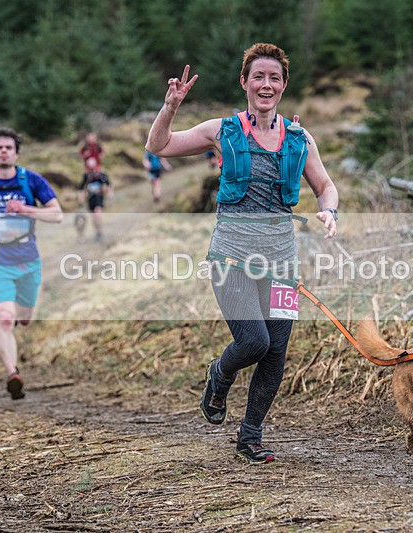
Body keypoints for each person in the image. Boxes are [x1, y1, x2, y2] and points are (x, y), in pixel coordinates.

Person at [145, 43, 338, 464]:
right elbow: (159, 146)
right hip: (230, 255)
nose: (265, 84)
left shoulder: (300, 138)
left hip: (282, 261)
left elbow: (325, 185)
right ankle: (220, 372)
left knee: (276, 351)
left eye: (274, 78)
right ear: (244, 82)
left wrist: (329, 210)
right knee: (253, 340)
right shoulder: (222, 129)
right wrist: (171, 106)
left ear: (283, 85)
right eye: (258, 77)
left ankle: (250, 436)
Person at [0, 127, 63, 400]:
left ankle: (19, 327)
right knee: (6, 318)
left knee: (24, 318)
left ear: (16, 152)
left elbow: (57, 215)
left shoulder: (31, 181)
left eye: (8, 147)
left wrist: (27, 209)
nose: (4, 151)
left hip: (28, 261)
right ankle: (13, 373)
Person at [77, 157, 113, 242]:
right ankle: (97, 232)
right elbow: (81, 188)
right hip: (90, 198)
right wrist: (80, 199)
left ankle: (101, 232)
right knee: (93, 217)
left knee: (98, 213)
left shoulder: (101, 175)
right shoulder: (86, 175)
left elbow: (108, 185)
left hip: (99, 197)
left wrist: (110, 195)